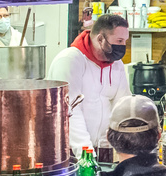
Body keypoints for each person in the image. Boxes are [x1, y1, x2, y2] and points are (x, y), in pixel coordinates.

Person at [48, 13, 131, 156]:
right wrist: (86, 155)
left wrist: (122, 148)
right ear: (100, 38)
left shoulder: (117, 65)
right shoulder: (69, 61)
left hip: (104, 150)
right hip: (69, 153)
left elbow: (122, 105)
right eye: (119, 40)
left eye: (125, 41)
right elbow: (70, 112)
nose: (123, 46)